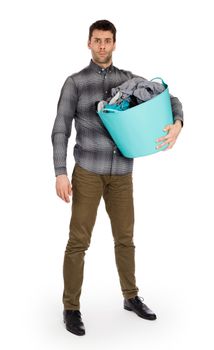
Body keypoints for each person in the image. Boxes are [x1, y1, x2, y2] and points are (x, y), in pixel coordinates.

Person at [51, 19, 183, 336]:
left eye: (107, 40)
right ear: (88, 43)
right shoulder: (75, 83)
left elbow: (169, 98)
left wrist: (178, 122)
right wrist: (60, 172)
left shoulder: (130, 80)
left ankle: (131, 296)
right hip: (88, 173)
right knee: (78, 242)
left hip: (122, 173)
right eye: (96, 40)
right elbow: (60, 129)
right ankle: (71, 308)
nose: (101, 46)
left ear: (114, 43)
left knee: (125, 239)